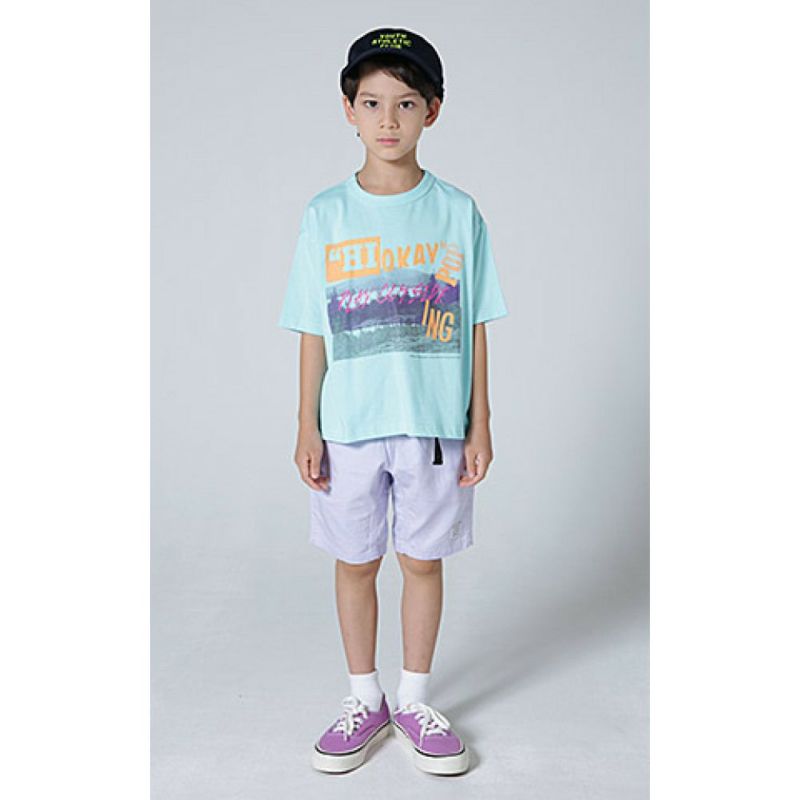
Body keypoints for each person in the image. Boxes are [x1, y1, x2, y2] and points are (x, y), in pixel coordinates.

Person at [277, 26, 509, 776]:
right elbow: (312, 328)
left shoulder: (458, 212)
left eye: (406, 103)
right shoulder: (325, 215)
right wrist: (306, 423)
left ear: (431, 111)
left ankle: (413, 698)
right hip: (347, 424)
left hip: (433, 423)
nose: (388, 119)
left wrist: (480, 421)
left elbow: (474, 322)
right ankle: (363, 698)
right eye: (372, 102)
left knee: (421, 561)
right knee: (354, 562)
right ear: (348, 110)